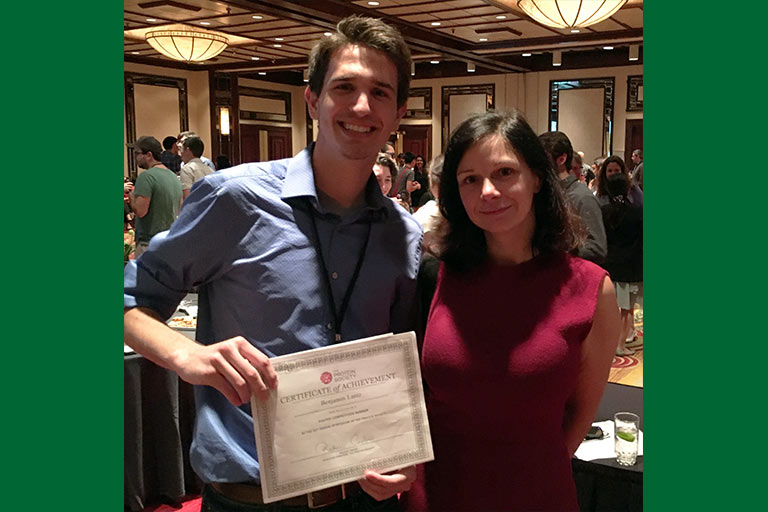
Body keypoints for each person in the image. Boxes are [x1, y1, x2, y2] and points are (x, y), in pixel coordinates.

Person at [124, 15, 420, 512]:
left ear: (398, 114)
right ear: (312, 99)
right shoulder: (234, 199)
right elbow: (128, 300)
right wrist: (186, 357)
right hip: (250, 498)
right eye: (344, 87)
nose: (362, 105)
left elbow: (398, 365)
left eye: (381, 92)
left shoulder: (403, 235)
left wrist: (402, 447)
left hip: (365, 498)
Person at [402, 110, 619, 512]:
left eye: (504, 173)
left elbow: (578, 417)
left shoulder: (590, 288)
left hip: (536, 496)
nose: (487, 191)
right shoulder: (434, 275)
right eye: (470, 179)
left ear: (537, 178)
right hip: (436, 496)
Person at [596, 156, 643, 356]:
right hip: (630, 265)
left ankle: (609, 341)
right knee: (626, 309)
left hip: (608, 264)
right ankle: (620, 345)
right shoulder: (636, 212)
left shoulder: (603, 210)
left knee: (611, 308)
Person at [539, 131, 607, 265]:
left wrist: (555, 250)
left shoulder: (582, 197)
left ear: (561, 159)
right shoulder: (546, 193)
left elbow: (597, 249)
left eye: (542, 157)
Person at [127, 136, 182, 258]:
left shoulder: (146, 177)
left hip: (149, 243)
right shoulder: (173, 176)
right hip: (169, 241)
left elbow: (140, 211)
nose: (136, 158)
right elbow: (179, 209)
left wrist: (132, 198)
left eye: (137, 153)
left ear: (149, 155)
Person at [179, 135, 214, 201]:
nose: (181, 154)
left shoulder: (187, 169)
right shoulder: (210, 170)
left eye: (181, 149)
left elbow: (187, 197)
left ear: (187, 150)